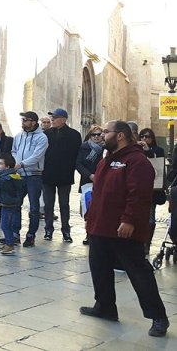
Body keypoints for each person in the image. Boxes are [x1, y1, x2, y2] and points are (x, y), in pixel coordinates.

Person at [80, 120, 169, 338]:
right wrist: (90, 217)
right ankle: (105, 306)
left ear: (120, 135)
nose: (101, 135)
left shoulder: (137, 161)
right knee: (99, 268)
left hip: (123, 229)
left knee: (139, 272)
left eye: (106, 132)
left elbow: (138, 195)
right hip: (100, 226)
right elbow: (99, 193)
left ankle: (158, 317)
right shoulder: (106, 160)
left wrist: (128, 220)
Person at [42, 108, 82, 243]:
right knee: (48, 203)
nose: (52, 120)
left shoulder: (74, 135)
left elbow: (76, 155)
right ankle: (48, 229)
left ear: (64, 119)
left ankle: (66, 230)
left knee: (64, 204)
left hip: (64, 175)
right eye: (52, 117)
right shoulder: (46, 134)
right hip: (48, 174)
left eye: (55, 117)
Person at [11, 111, 48, 248]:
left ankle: (31, 235)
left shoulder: (42, 138)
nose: (23, 122)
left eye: (26, 119)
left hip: (34, 175)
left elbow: (37, 156)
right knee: (16, 204)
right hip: (19, 175)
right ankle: (15, 234)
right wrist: (16, 162)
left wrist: (21, 163)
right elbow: (14, 151)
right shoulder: (18, 136)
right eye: (22, 119)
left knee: (34, 208)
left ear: (33, 122)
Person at [0, 153, 27, 255]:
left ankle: (9, 245)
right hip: (11, 204)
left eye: (1, 164)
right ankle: (8, 244)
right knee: (8, 225)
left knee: (5, 225)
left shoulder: (7, 178)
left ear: (7, 166)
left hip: (8, 204)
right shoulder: (14, 176)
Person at [76, 125, 105, 246]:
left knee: (100, 207)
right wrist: (90, 175)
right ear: (90, 135)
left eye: (99, 134)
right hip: (87, 180)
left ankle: (98, 232)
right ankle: (88, 233)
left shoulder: (106, 148)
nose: (97, 137)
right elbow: (78, 164)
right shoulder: (84, 147)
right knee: (88, 207)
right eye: (94, 135)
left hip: (102, 181)